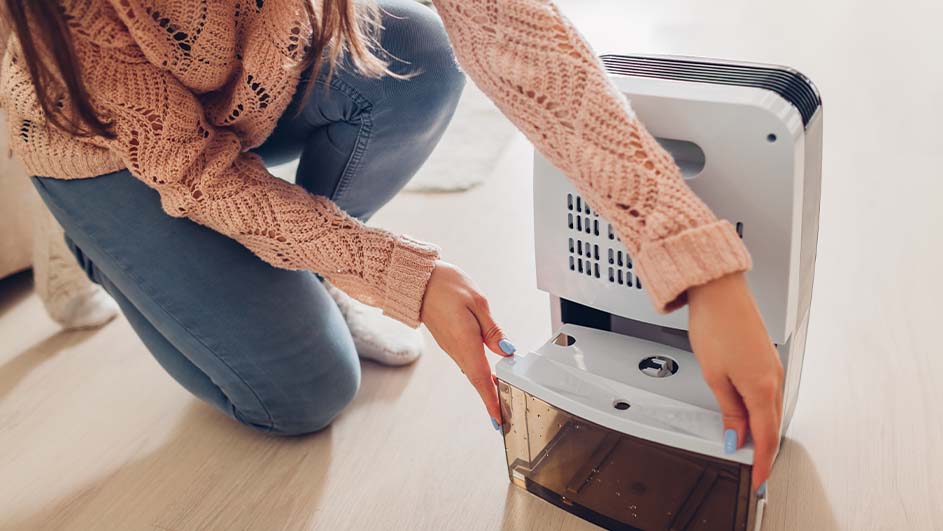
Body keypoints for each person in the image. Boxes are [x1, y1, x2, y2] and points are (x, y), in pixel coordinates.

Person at [0, 0, 783, 493]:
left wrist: (688, 252)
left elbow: (510, 30)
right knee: (302, 395)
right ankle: (94, 238)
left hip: (254, 77)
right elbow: (200, 173)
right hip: (107, 145)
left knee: (422, 51)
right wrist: (399, 272)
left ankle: (294, 258)